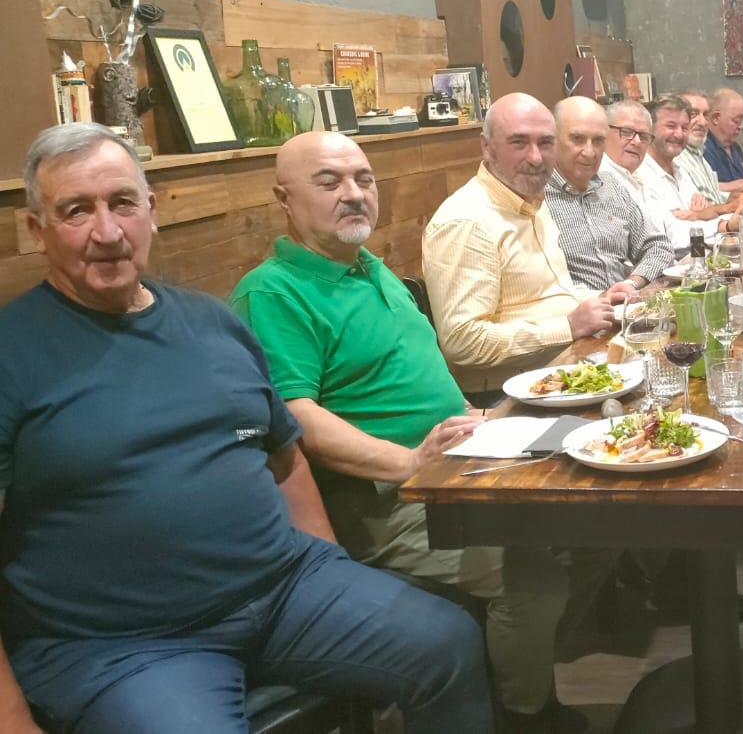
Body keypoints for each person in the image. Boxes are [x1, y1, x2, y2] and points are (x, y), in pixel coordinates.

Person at [0, 123, 492, 734]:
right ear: (36, 230)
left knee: (448, 643)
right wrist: (11, 719)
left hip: (285, 591)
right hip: (128, 643)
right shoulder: (13, 353)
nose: (107, 231)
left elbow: (284, 456)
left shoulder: (212, 322)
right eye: (76, 210)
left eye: (123, 202)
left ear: (151, 211)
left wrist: (329, 565)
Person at [230, 131, 601, 733]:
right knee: (532, 580)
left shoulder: (368, 266)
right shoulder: (273, 292)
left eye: (363, 179)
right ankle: (523, 716)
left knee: (594, 505)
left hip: (456, 458)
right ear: (284, 198)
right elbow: (295, 419)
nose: (353, 194)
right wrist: (406, 462)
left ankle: (502, 675)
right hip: (382, 498)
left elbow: (419, 373)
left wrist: (477, 416)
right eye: (329, 182)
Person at [423, 93, 621, 400]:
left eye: (546, 143)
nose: (536, 158)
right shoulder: (467, 221)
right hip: (507, 397)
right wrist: (568, 327)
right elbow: (462, 342)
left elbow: (546, 295)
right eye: (519, 143)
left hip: (566, 368)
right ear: (486, 147)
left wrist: (601, 299)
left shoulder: (532, 200)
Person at [544, 96, 673, 292]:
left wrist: (630, 284)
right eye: (577, 139)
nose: (589, 152)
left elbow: (658, 247)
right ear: (552, 140)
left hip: (627, 305)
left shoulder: (610, 186)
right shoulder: (536, 198)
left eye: (598, 141)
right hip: (575, 308)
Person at [638, 94, 743, 255]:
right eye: (671, 126)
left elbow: (703, 214)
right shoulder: (641, 174)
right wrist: (724, 225)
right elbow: (669, 234)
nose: (679, 134)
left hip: (699, 258)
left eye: (684, 128)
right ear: (649, 129)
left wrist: (696, 215)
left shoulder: (680, 171)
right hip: (670, 265)